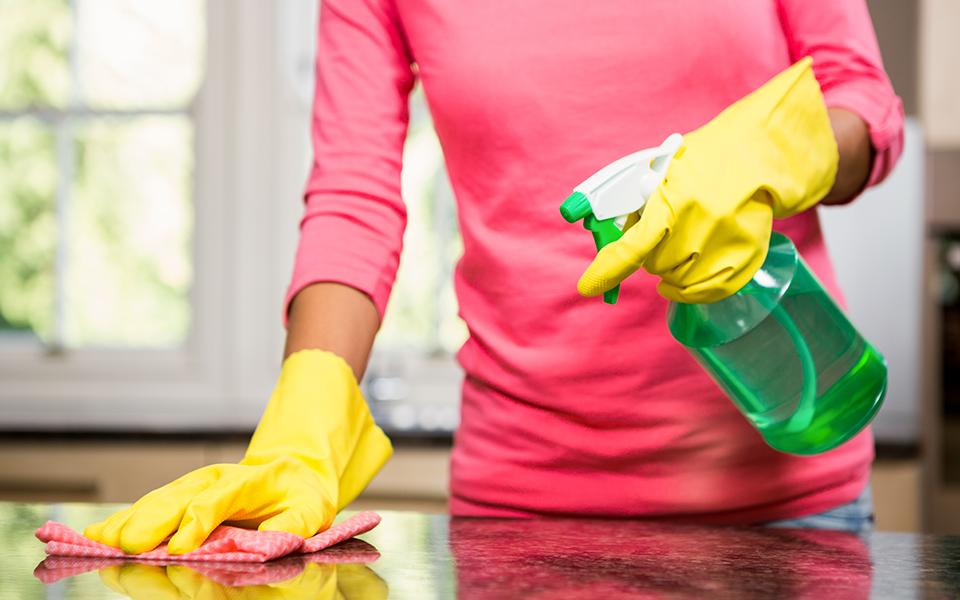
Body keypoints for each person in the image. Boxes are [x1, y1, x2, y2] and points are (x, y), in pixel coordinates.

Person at [85, 0, 903, 554]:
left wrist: (773, 153)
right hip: (521, 516)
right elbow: (354, 191)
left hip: (789, 497)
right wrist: (307, 410)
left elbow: (862, 101)